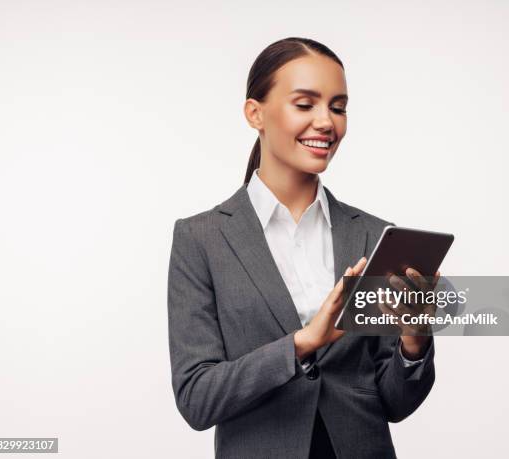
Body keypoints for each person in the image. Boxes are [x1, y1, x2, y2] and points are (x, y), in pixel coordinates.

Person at [168, 37, 438, 459]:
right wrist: (301, 343)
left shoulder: (373, 235)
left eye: (338, 106)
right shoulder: (201, 239)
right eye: (305, 103)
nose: (326, 122)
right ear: (255, 113)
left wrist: (413, 341)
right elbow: (197, 398)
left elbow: (395, 403)